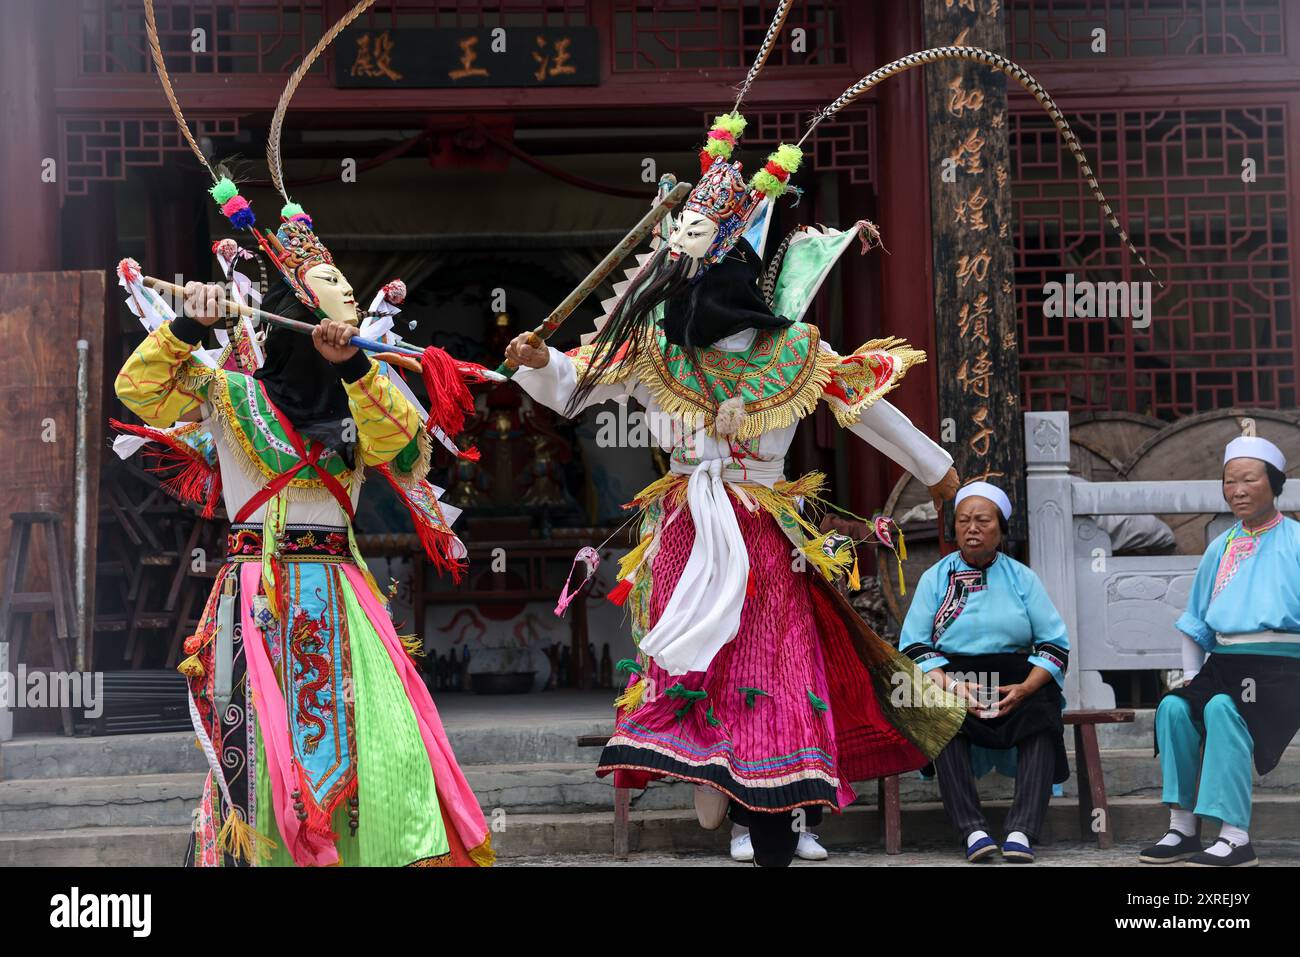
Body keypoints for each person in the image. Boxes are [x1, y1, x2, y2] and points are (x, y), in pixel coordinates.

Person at [505, 103, 966, 866]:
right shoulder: (653, 348)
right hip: (689, 524)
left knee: (776, 661)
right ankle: (716, 773)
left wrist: (940, 473)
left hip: (765, 526)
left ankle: (772, 799)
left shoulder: (798, 351)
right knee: (699, 663)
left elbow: (866, 409)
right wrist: (536, 361)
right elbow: (576, 388)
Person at [113, 2, 491, 865]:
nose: (347, 318)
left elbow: (399, 444)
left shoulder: (370, 393)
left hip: (346, 601)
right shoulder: (231, 391)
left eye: (351, 308)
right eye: (331, 307)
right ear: (291, 314)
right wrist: (185, 328)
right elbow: (142, 395)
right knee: (258, 770)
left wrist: (357, 367)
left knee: (373, 758)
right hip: (256, 601)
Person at [1140, 435, 1300, 867]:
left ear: (1275, 483)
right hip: (1225, 661)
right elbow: (1195, 623)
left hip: (1281, 668)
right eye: (1230, 482)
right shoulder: (1220, 546)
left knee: (1222, 709)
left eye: (1250, 479)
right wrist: (1192, 677)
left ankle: (1235, 835)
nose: (1239, 490)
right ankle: (1183, 827)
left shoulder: (1297, 542)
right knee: (1174, 707)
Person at [898, 482, 1071, 864]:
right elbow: (912, 645)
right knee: (941, 714)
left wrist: (1026, 688)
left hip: (1015, 678)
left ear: (1001, 529)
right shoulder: (935, 578)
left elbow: (1055, 644)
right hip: (952, 677)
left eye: (982, 520)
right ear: (954, 529)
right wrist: (952, 685)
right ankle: (972, 830)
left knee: (1042, 714)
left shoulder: (1022, 578)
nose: (972, 528)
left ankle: (1022, 830)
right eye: (963, 521)